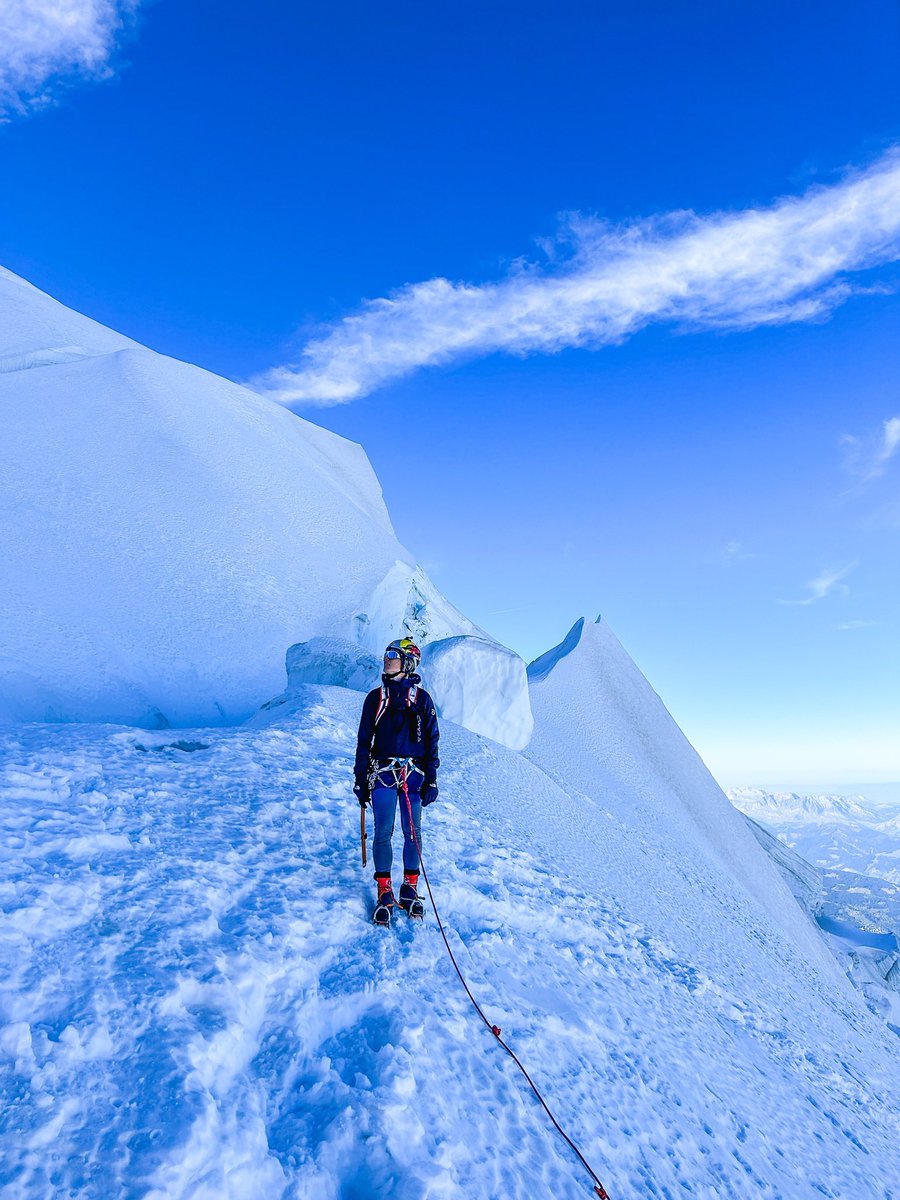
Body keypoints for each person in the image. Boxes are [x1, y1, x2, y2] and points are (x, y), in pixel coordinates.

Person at [354, 638, 440, 923]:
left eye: (393, 654)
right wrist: (360, 778)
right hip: (384, 774)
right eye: (387, 653)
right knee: (383, 832)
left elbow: (432, 741)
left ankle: (409, 888)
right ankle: (384, 890)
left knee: (413, 834)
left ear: (408, 663)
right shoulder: (375, 698)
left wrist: (432, 779)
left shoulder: (422, 700)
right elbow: (364, 741)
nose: (387, 658)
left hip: (413, 777)